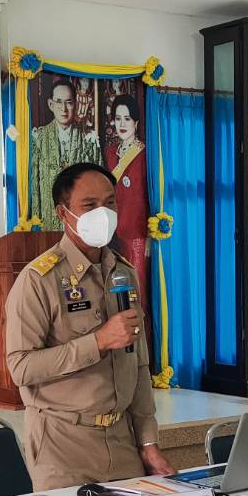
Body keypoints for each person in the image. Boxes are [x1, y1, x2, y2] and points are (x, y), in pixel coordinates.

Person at [5, 162, 174, 490]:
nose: (103, 213)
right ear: (63, 213)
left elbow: (138, 364)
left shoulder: (124, 273)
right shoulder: (38, 280)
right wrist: (97, 342)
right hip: (62, 446)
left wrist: (148, 442)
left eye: (110, 203)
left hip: (122, 442)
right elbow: (21, 368)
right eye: (90, 205)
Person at [27, 76, 102, 230]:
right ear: (51, 104)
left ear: (75, 104)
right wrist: (36, 221)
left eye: (69, 102)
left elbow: (98, 185)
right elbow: (34, 187)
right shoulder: (39, 138)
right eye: (59, 102)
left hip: (81, 223)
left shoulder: (89, 139)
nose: (64, 108)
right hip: (48, 222)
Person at [105, 92, 151, 330]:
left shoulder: (145, 155)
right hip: (113, 234)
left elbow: (151, 196)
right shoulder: (110, 153)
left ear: (136, 122)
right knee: (116, 291)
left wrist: (150, 236)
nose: (122, 124)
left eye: (127, 118)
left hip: (136, 234)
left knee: (137, 291)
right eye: (118, 118)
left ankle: (142, 342)